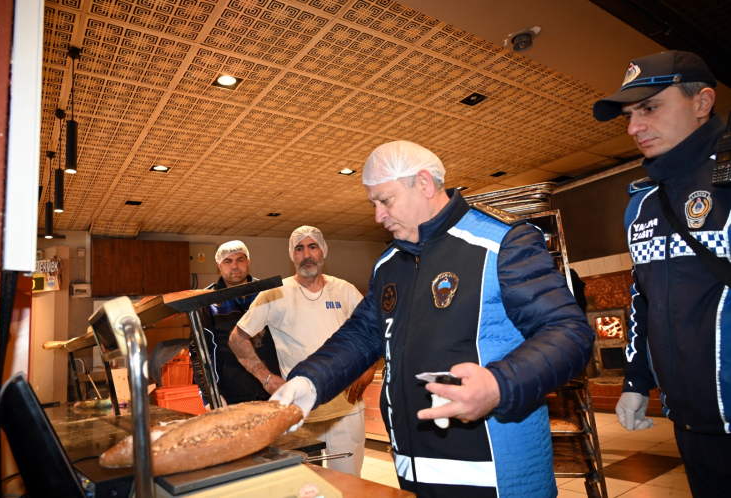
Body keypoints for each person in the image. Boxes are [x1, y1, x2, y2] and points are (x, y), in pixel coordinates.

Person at [272, 141, 594, 497]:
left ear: (424, 183)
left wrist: (499, 385)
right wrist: (310, 381)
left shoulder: (502, 242)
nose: (378, 216)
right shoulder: (389, 264)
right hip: (415, 470)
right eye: (373, 204)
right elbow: (362, 335)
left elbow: (569, 332)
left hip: (497, 474)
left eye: (385, 200)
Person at [593, 50, 731, 496]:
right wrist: (637, 380)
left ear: (702, 102)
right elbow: (643, 298)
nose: (634, 128)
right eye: (629, 116)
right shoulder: (643, 203)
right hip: (690, 424)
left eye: (649, 108)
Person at [229, 226, 375, 477]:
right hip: (300, 413)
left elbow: (373, 331)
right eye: (299, 248)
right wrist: (266, 378)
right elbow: (237, 338)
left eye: (312, 247)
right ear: (292, 255)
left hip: (346, 411)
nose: (307, 254)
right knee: (305, 485)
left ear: (323, 251)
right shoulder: (274, 293)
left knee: (348, 485)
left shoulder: (345, 290)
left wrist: (369, 368)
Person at [189, 241, 280, 407]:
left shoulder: (267, 294)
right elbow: (199, 353)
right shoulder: (207, 301)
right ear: (219, 266)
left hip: (272, 388)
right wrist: (210, 396)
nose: (235, 266)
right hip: (229, 396)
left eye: (240, 260)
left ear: (248, 262)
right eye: (228, 261)